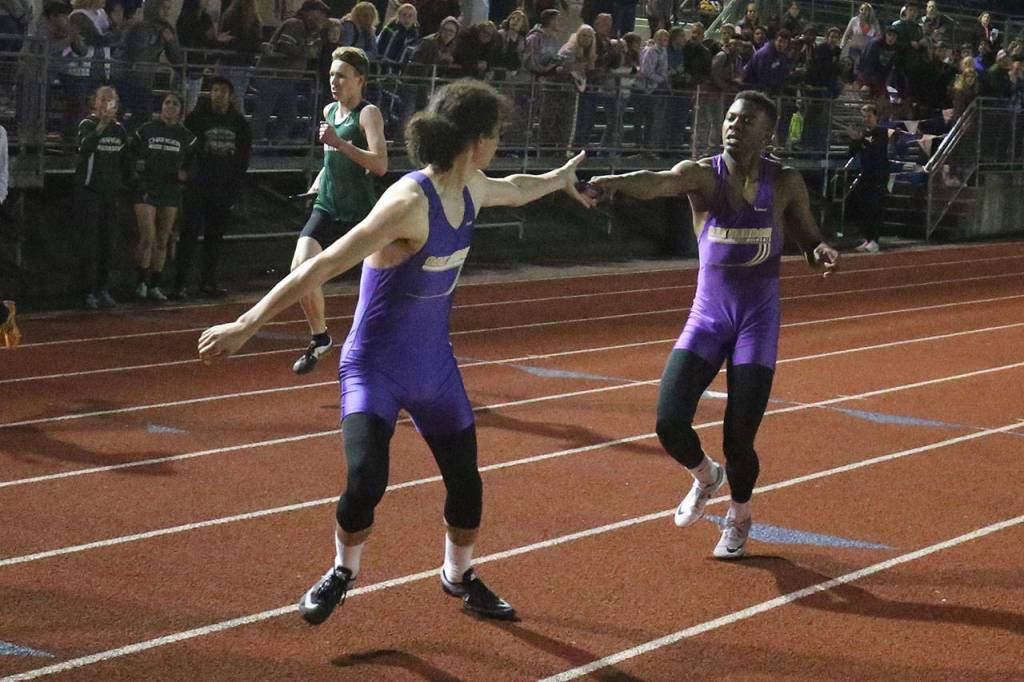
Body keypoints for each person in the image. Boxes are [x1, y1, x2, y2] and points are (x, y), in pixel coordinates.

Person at [198, 79, 594, 624]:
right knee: (366, 481)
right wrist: (247, 322)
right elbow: (321, 264)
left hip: (435, 369)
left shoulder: (473, 187)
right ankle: (343, 571)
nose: (498, 146)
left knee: (467, 485)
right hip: (375, 368)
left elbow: (518, 187)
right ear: (475, 140)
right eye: (496, 135)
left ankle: (458, 577)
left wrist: (557, 180)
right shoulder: (409, 201)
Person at [590, 90, 839, 559]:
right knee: (668, 421)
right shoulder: (702, 176)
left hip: (756, 324)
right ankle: (706, 476)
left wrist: (819, 252)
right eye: (729, 118)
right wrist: (615, 182)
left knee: (739, 438)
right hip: (707, 317)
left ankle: (740, 516)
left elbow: (808, 237)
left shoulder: (784, 182)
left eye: (745, 122)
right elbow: (657, 181)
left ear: (767, 132)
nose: (733, 127)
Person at [290, 47, 387, 374]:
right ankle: (320, 338)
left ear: (359, 80)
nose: (334, 81)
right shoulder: (330, 110)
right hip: (328, 204)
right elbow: (332, 159)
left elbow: (381, 165)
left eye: (341, 76)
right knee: (300, 270)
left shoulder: (368, 113)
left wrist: (339, 143)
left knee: (377, 290)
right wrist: (321, 179)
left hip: (360, 213)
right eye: (331, 74)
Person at [173, 76, 252, 299]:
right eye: (215, 90)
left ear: (230, 94)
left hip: (222, 188)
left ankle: (208, 282)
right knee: (188, 236)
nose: (218, 94)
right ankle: (180, 284)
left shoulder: (239, 123)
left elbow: (243, 158)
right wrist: (186, 172)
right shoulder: (196, 119)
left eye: (223, 90)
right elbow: (185, 148)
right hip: (197, 187)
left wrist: (235, 189)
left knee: (214, 238)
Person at [131, 92, 197, 302]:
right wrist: (137, 166)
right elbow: (131, 154)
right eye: (166, 103)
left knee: (163, 239)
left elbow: (193, 164)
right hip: (147, 189)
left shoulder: (186, 137)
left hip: (170, 191)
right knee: (148, 237)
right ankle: (140, 281)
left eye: (174, 104)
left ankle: (154, 284)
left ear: (180, 109)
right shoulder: (146, 130)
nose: (169, 107)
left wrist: (185, 174)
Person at [76, 85, 130, 309]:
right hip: (90, 193)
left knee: (108, 243)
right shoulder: (87, 125)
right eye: (103, 99)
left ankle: (103, 287)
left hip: (111, 194)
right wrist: (102, 125)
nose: (107, 104)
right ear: (95, 102)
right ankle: (88, 290)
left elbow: (124, 162)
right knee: (90, 244)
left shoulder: (120, 131)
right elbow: (85, 147)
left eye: (111, 100)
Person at [846, 103, 888, 253]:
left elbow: (876, 149)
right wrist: (855, 139)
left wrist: (860, 138)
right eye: (864, 117)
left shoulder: (881, 132)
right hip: (866, 174)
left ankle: (874, 239)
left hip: (878, 175)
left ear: (876, 117)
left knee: (873, 207)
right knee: (856, 203)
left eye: (869, 116)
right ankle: (867, 236)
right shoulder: (864, 134)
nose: (866, 120)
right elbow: (851, 153)